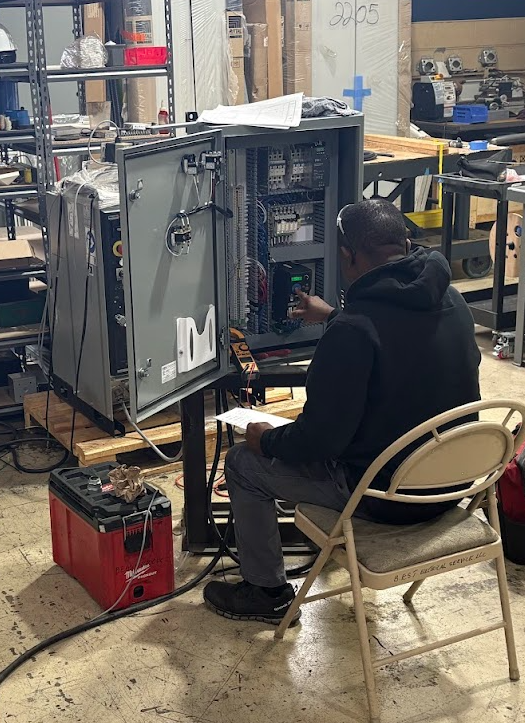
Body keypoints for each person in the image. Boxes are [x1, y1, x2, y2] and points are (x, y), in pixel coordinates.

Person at [203, 199, 482, 624]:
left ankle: (266, 592)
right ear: (405, 244)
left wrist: (267, 438)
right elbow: (398, 339)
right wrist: (335, 316)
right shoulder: (453, 299)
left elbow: (319, 441)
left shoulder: (355, 329)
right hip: (451, 487)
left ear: (349, 257)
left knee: (242, 463)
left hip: (388, 499)